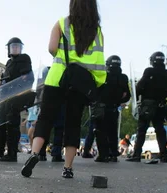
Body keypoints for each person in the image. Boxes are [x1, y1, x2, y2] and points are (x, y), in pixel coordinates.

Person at [22, 0, 106, 179]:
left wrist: (63, 55)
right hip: (80, 82)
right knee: (73, 124)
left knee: (45, 118)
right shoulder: (97, 30)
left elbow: (52, 48)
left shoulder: (62, 23)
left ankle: (35, 153)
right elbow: (99, 58)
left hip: (58, 78)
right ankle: (68, 168)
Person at [0, 37, 32, 162]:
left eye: (18, 46)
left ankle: (12, 154)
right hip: (4, 98)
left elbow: (27, 78)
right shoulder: (8, 63)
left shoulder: (25, 59)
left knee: (12, 125)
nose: (16, 48)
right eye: (13, 46)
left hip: (15, 98)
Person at [126, 52, 167, 162]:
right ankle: (164, 155)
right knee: (160, 130)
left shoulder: (149, 71)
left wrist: (138, 97)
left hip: (148, 105)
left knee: (142, 130)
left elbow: (139, 87)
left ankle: (137, 154)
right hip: (161, 105)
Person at [91, 55, 131, 162]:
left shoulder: (103, 75)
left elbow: (95, 90)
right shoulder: (123, 78)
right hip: (114, 108)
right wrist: (119, 100)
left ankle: (103, 154)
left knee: (99, 131)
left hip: (101, 108)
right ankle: (113, 153)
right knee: (112, 132)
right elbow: (127, 95)